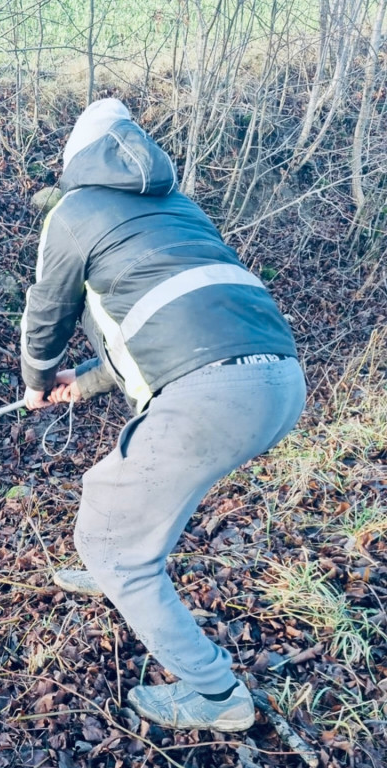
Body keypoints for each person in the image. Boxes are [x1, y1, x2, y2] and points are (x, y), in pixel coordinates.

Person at [20, 98, 305, 731]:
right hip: (279, 381)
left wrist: (38, 380)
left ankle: (214, 697)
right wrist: (84, 384)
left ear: (74, 160)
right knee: (123, 491)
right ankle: (123, 570)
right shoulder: (180, 207)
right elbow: (170, 330)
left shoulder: (74, 211)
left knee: (106, 537)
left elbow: (47, 310)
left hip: (209, 396)